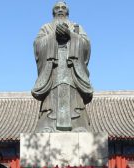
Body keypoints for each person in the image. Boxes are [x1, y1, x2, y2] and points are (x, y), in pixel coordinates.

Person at [31, 1, 94, 133]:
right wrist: (53, 36)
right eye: (57, 8)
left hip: (71, 68)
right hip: (53, 68)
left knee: (74, 96)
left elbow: (86, 45)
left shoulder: (76, 27)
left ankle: (77, 124)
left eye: (63, 7)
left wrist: (71, 35)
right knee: (51, 98)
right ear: (53, 12)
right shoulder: (46, 27)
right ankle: (48, 125)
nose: (60, 10)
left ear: (67, 11)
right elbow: (37, 45)